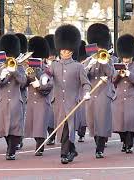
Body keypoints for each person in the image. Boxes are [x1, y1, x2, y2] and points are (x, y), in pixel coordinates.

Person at [49, 24, 91, 164]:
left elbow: (86, 83)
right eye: (63, 50)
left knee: (68, 128)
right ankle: (72, 150)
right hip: (58, 103)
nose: (65, 52)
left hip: (72, 102)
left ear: (72, 51)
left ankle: (64, 154)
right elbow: (47, 76)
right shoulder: (54, 65)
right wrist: (43, 79)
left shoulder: (78, 66)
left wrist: (86, 93)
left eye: (68, 50)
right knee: (62, 129)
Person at [84, 23, 114, 158]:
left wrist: (104, 62)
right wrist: (89, 65)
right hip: (91, 94)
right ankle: (98, 142)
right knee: (92, 122)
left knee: (102, 121)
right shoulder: (88, 60)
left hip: (104, 93)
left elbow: (111, 73)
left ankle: (100, 148)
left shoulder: (109, 59)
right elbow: (82, 76)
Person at [0, 34, 27, 160]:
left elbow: (23, 81)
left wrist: (14, 71)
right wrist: (2, 76)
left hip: (15, 99)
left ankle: (11, 151)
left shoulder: (19, 66)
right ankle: (10, 146)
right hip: (2, 100)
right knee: (4, 126)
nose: (8, 57)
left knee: (14, 126)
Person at [112, 34, 134, 154]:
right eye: (124, 57)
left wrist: (129, 74)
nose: (125, 59)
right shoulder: (117, 67)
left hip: (132, 99)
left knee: (130, 123)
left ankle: (129, 145)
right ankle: (124, 142)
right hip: (119, 98)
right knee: (121, 125)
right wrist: (119, 74)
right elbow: (113, 81)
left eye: (128, 57)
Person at [24, 36, 53, 156]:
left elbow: (50, 84)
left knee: (40, 125)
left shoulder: (47, 69)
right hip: (31, 101)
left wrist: (37, 84)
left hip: (42, 101)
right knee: (33, 125)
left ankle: (40, 146)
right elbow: (22, 84)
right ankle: (38, 142)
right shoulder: (28, 68)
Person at [15, 33, 28, 150]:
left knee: (20, 117)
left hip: (21, 94)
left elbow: (24, 81)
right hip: (10, 95)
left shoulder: (24, 62)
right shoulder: (9, 61)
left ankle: (19, 139)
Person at [44, 34, 57, 145]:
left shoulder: (57, 64)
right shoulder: (42, 65)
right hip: (45, 94)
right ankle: (50, 135)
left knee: (54, 117)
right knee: (48, 117)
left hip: (55, 93)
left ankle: (54, 135)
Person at [75, 40, 88, 143]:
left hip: (83, 89)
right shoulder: (74, 64)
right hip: (74, 90)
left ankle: (81, 133)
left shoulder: (87, 62)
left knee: (83, 114)